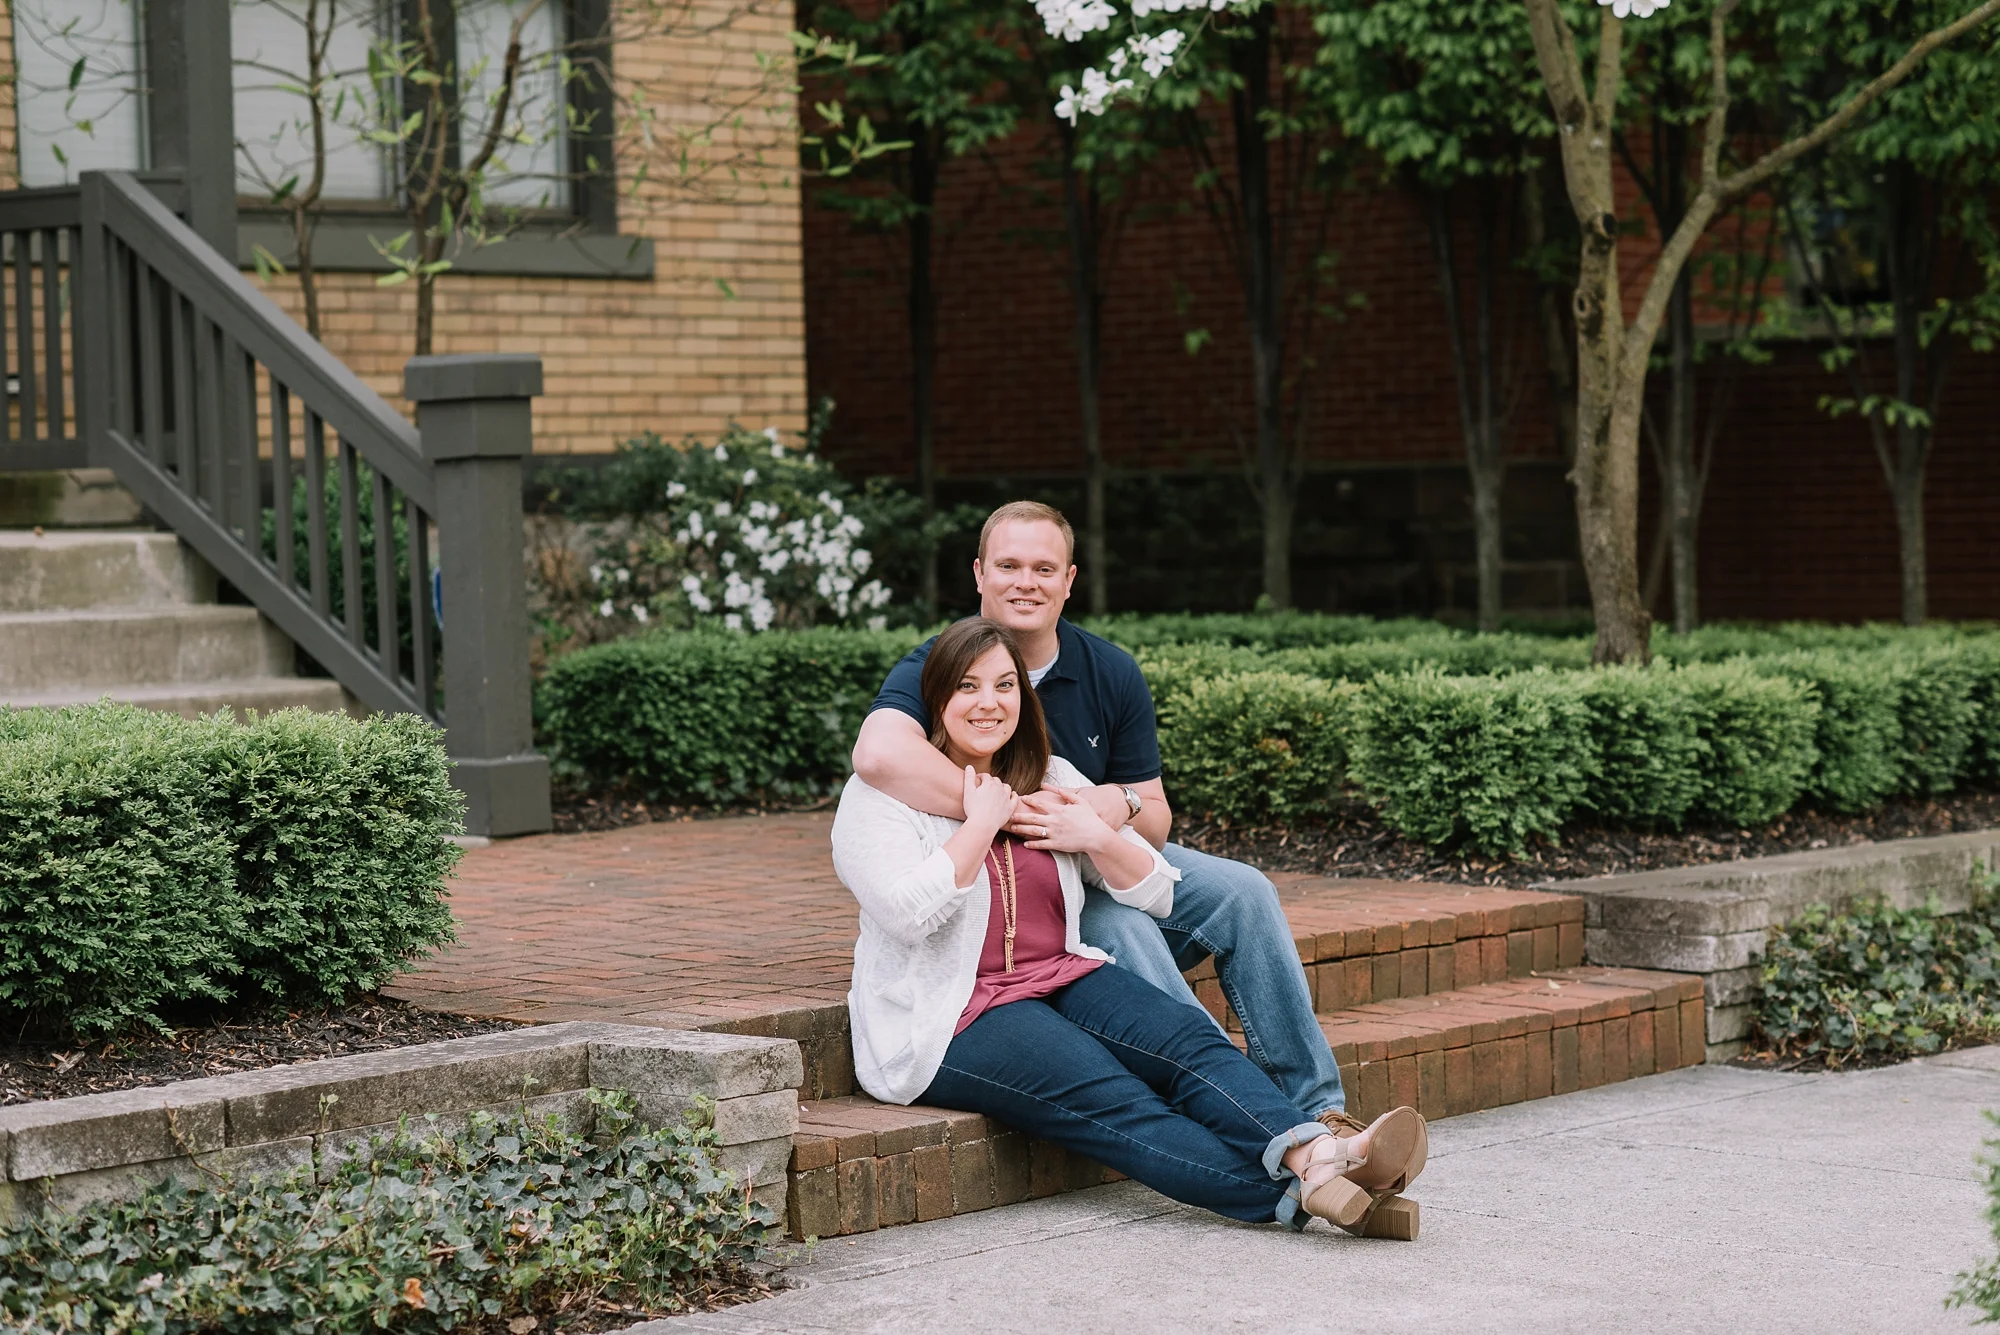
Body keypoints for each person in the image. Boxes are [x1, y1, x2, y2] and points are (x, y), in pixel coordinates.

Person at [832, 616, 1426, 1236]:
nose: (989, 703)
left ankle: (1315, 1157)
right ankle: (1304, 1195)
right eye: (967, 687)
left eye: (1005, 686)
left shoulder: (1053, 778)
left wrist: (1096, 836)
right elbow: (905, 917)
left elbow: (1154, 889)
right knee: (1118, 1100)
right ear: (935, 698)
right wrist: (980, 823)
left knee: (1187, 1043)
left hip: (1058, 974)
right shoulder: (879, 798)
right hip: (950, 1016)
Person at [851, 501, 1360, 1135]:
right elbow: (876, 755)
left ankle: (1314, 1105)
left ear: (1069, 580)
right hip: (1020, 887)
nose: (1025, 582)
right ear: (979, 574)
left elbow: (1154, 819)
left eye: (1044, 568)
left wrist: (1115, 804)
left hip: (1098, 849)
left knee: (1244, 891)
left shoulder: (1110, 670)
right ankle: (1239, 1110)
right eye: (1008, 565)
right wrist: (1013, 812)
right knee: (1124, 925)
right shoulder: (941, 664)